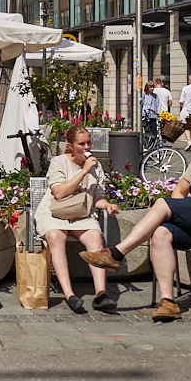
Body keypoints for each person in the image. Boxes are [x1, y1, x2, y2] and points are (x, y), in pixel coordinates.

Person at [80, 123, 191, 321]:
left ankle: (117, 253)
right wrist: (179, 214)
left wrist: (176, 209)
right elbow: (179, 191)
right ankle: (168, 302)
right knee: (161, 232)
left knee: (161, 203)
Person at [33, 126, 119, 312]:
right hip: (54, 212)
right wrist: (83, 172)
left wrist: (107, 205)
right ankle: (69, 295)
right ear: (70, 146)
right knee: (56, 236)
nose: (87, 147)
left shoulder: (96, 166)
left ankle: (101, 294)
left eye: (89, 142)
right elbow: (59, 193)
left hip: (81, 215)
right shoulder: (58, 162)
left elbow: (97, 198)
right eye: (82, 144)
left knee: (95, 236)